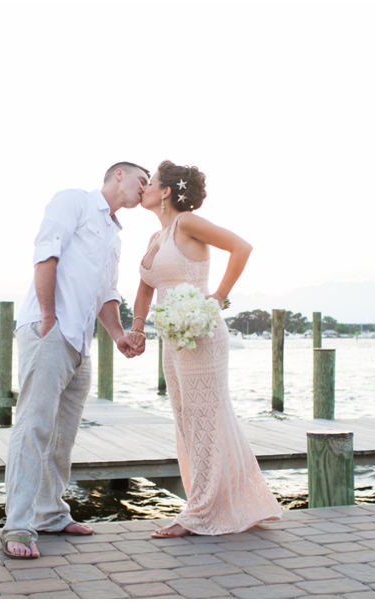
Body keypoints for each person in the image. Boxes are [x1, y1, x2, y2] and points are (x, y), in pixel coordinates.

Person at [2, 162, 150, 559]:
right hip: (49, 330)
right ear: (118, 175)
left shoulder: (116, 233)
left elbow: (107, 292)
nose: (146, 188)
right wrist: (48, 315)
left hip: (80, 342)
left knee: (63, 435)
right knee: (33, 426)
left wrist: (118, 335)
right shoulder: (75, 202)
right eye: (142, 180)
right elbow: (45, 253)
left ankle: (50, 514)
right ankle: (18, 524)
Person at [128, 160, 282, 537]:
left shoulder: (188, 223)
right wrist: (137, 328)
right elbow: (146, 288)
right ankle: (211, 502)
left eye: (150, 183)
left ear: (165, 193)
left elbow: (241, 247)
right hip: (173, 338)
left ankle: (199, 512)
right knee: (186, 419)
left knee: (206, 419)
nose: (143, 188)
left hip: (202, 333)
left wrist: (217, 298)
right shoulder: (155, 239)